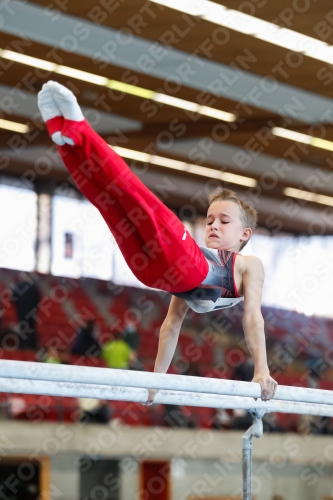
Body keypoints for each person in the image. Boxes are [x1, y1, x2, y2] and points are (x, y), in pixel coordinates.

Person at [37, 81, 277, 403]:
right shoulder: (198, 251)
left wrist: (261, 369)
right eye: (209, 220)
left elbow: (252, 317)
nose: (213, 226)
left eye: (224, 221)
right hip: (173, 267)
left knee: (120, 199)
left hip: (152, 272)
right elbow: (170, 326)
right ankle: (68, 139)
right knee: (115, 197)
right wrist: (156, 380)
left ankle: (76, 136)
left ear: (245, 234)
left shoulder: (250, 265)